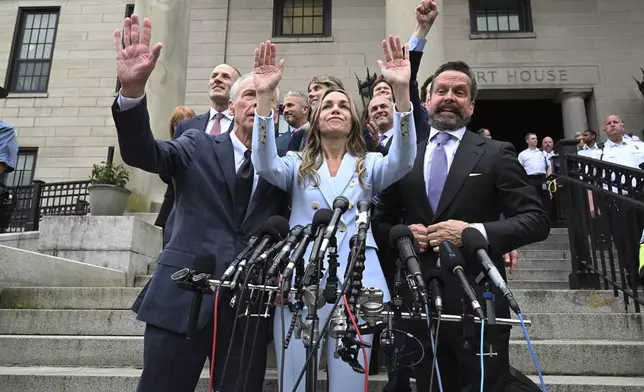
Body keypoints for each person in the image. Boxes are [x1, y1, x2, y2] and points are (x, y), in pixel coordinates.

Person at [111, 15, 288, 392]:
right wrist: (132, 93)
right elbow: (146, 153)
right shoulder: (198, 143)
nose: (256, 104)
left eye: (264, 97)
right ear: (233, 106)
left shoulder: (284, 164)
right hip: (184, 294)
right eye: (248, 96)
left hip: (246, 304)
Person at [250, 36, 417, 392]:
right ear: (315, 119)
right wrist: (265, 98)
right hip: (300, 280)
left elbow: (404, 159)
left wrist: (401, 92)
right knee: (293, 380)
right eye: (327, 105)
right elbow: (263, 162)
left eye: (343, 104)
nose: (336, 109)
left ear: (354, 120)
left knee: (350, 382)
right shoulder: (297, 165)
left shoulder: (369, 165)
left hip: (358, 282)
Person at [371, 58, 549, 391]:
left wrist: (473, 233)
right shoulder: (404, 156)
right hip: (417, 300)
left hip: (477, 300)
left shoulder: (496, 153)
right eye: (442, 90)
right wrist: (403, 236)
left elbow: (536, 221)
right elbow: (381, 223)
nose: (449, 96)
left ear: (471, 105)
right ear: (427, 101)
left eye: (459, 91)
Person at [154, 106, 196, 239]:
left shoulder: (202, 146)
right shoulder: (169, 149)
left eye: (185, 122)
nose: (180, 126)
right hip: (172, 199)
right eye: (176, 123)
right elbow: (165, 174)